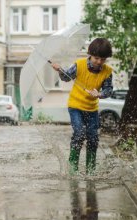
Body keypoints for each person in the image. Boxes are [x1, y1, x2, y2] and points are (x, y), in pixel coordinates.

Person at [51, 38, 113, 175]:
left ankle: (90, 170)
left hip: (92, 109)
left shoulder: (107, 71)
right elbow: (66, 77)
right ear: (90, 54)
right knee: (79, 134)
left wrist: (100, 94)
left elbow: (108, 90)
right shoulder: (79, 65)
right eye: (96, 58)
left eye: (103, 59)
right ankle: (73, 170)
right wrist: (60, 70)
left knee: (93, 137)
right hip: (76, 106)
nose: (99, 62)